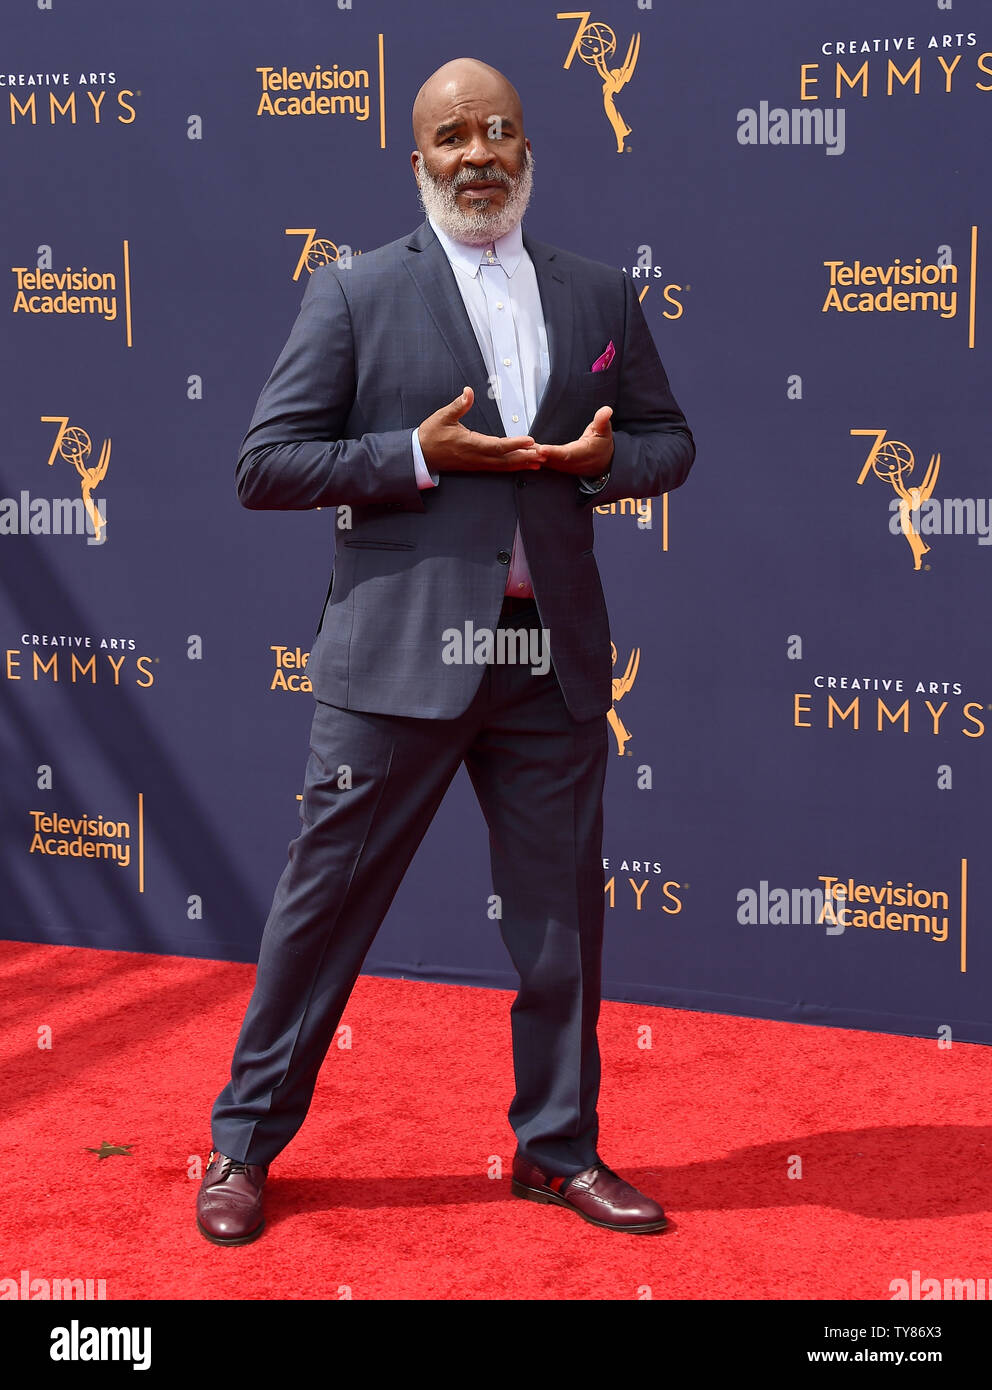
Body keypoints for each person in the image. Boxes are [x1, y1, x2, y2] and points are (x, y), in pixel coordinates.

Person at [196, 57, 694, 1246]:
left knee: (562, 922)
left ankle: (555, 1151)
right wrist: (413, 457)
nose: (478, 154)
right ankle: (240, 1146)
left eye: (499, 132)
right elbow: (265, 465)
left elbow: (669, 440)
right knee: (320, 916)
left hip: (547, 660)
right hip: (398, 665)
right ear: (416, 158)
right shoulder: (356, 292)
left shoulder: (599, 294)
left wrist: (598, 465)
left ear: (529, 148)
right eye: (451, 137)